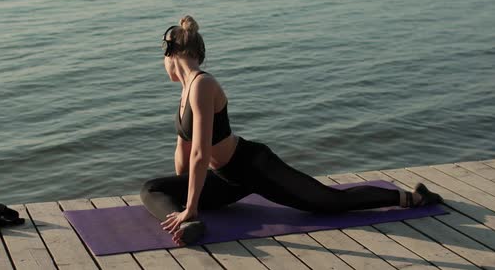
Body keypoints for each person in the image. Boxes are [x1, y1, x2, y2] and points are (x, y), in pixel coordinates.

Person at [140, 15, 443, 246]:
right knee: (151, 188)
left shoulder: (202, 85)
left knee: (327, 203)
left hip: (253, 166)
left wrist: (191, 206)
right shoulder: (183, 92)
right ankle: (185, 224)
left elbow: (199, 152)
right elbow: (182, 150)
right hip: (224, 178)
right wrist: (182, 194)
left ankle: (412, 197)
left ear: (171, 53)